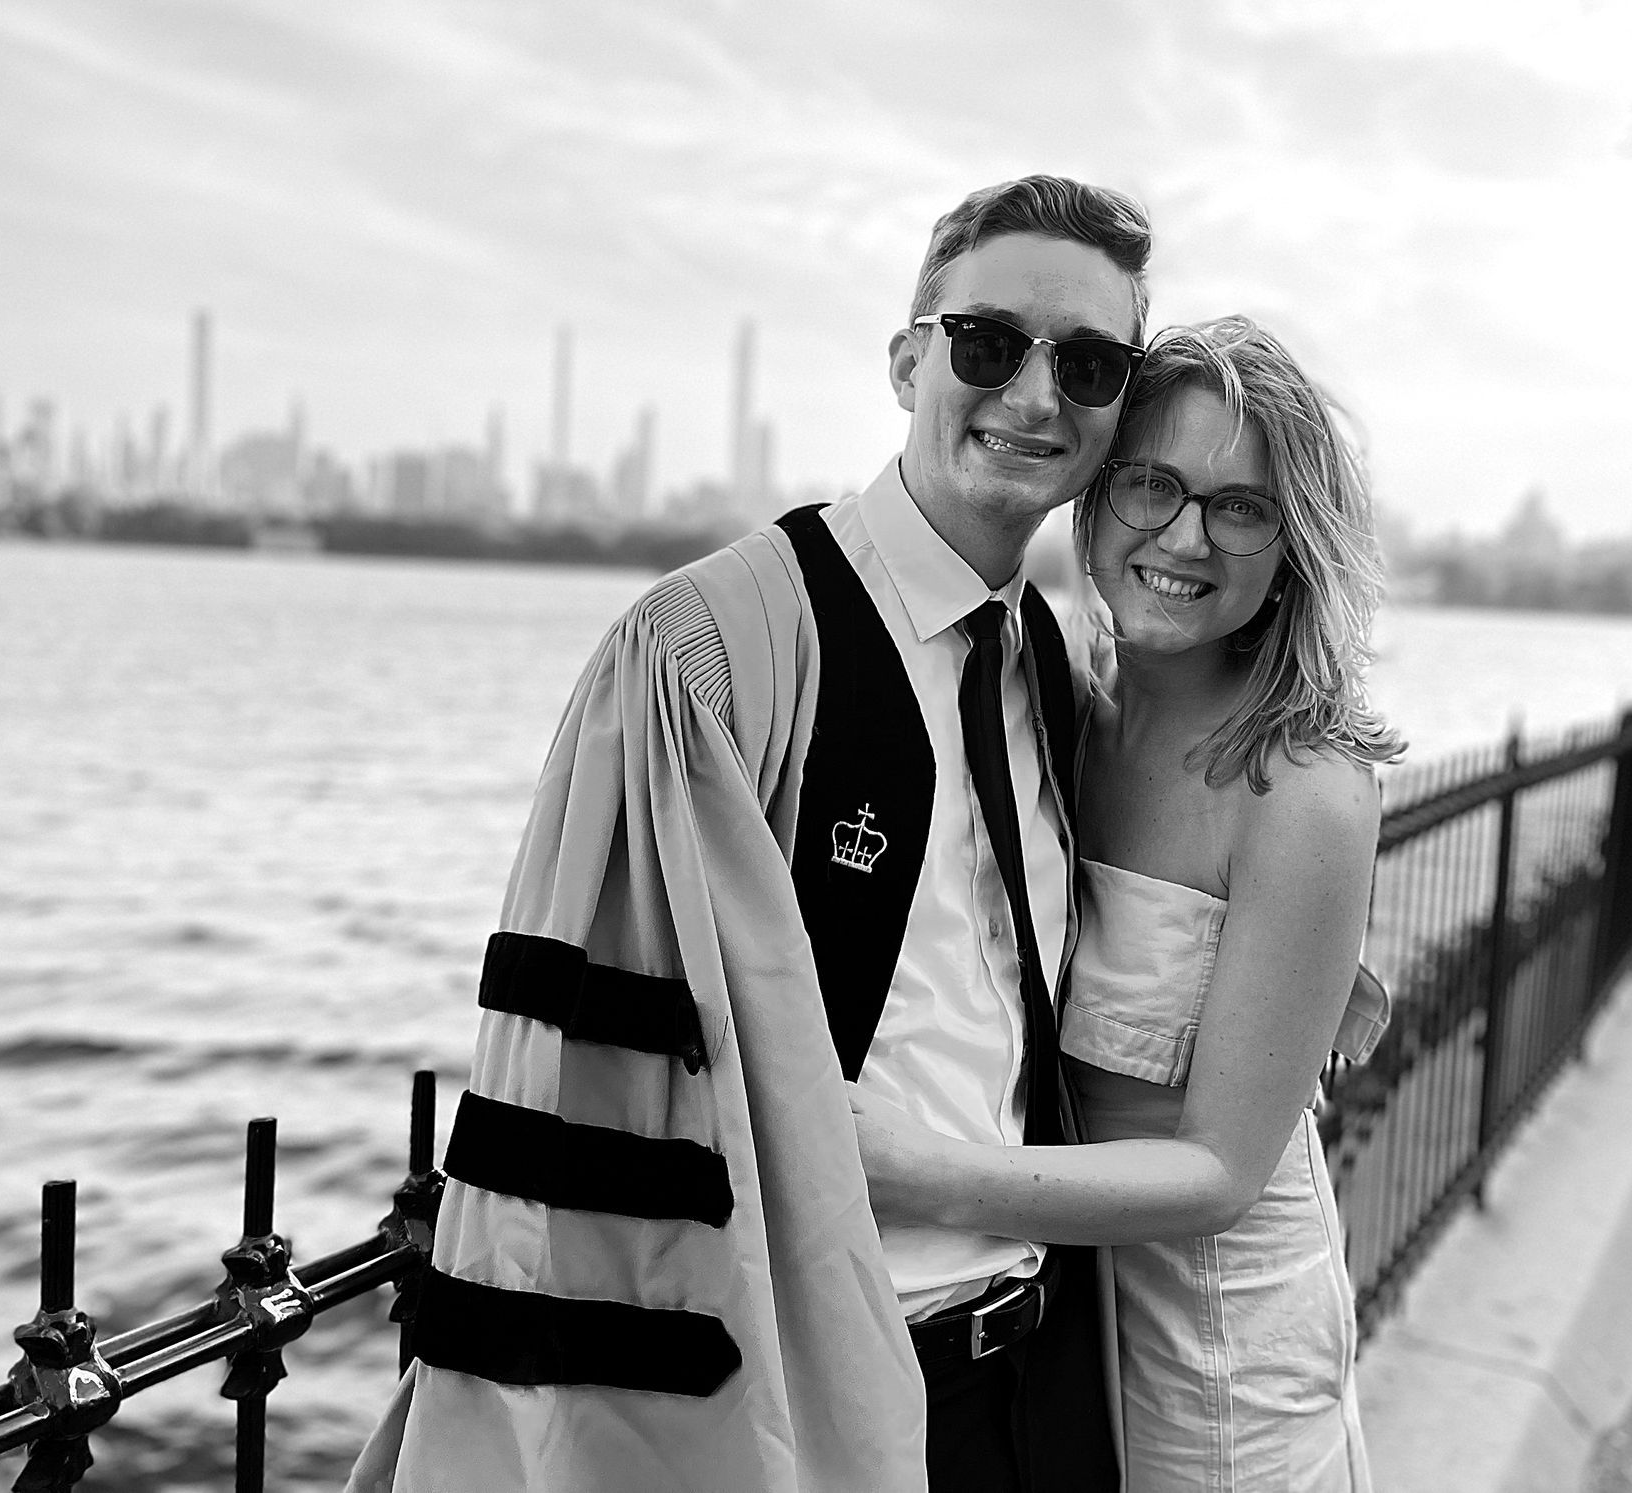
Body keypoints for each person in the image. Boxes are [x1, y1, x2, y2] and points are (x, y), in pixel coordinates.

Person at [344, 175, 1149, 1493]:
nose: (1036, 395)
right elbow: (583, 1100)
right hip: (805, 1413)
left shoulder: (1047, 662)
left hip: (1033, 1388)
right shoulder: (708, 655)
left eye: (1091, 364)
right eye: (989, 343)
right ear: (908, 361)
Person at [850, 316, 1401, 1492]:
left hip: (1222, 1355)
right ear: (1096, 495)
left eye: (1240, 507)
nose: (1185, 536)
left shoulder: (1303, 788)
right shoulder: (1061, 704)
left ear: (1290, 546)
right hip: (1060, 1324)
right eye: (1153, 483)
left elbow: (1221, 1174)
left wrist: (916, 1168)